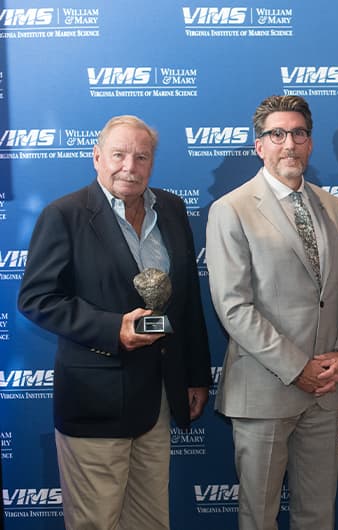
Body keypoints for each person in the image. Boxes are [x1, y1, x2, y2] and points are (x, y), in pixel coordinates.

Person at [17, 115, 212, 529]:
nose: (130, 166)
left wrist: (195, 375)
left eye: (142, 157)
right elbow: (36, 299)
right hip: (95, 400)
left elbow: (188, 301)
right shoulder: (64, 214)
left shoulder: (172, 209)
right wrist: (113, 329)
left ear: (152, 163)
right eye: (119, 155)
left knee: (150, 520)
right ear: (96, 157)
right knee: (96, 522)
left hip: (158, 398)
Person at [205, 95, 338, 530]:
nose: (288, 144)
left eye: (298, 133)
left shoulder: (332, 207)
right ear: (259, 146)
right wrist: (298, 368)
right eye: (277, 134)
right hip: (265, 389)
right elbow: (234, 307)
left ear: (310, 143)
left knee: (318, 514)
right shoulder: (231, 209)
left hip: (327, 390)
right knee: (259, 517)